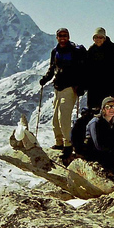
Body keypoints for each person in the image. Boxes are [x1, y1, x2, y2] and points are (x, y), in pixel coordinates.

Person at [39, 27, 86, 158]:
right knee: (55, 119)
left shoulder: (75, 51)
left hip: (69, 88)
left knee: (63, 118)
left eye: (65, 35)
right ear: (57, 37)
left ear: (68, 37)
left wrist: (81, 86)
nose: (63, 38)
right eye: (60, 36)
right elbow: (52, 68)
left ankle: (68, 145)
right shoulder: (55, 51)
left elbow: (82, 70)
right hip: (58, 87)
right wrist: (45, 79)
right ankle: (59, 142)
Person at [84, 27, 114, 111]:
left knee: (107, 113)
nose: (98, 39)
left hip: (108, 88)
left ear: (104, 38)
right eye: (96, 37)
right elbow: (86, 69)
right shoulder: (91, 51)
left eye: (100, 37)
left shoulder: (111, 51)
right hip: (93, 89)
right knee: (93, 112)